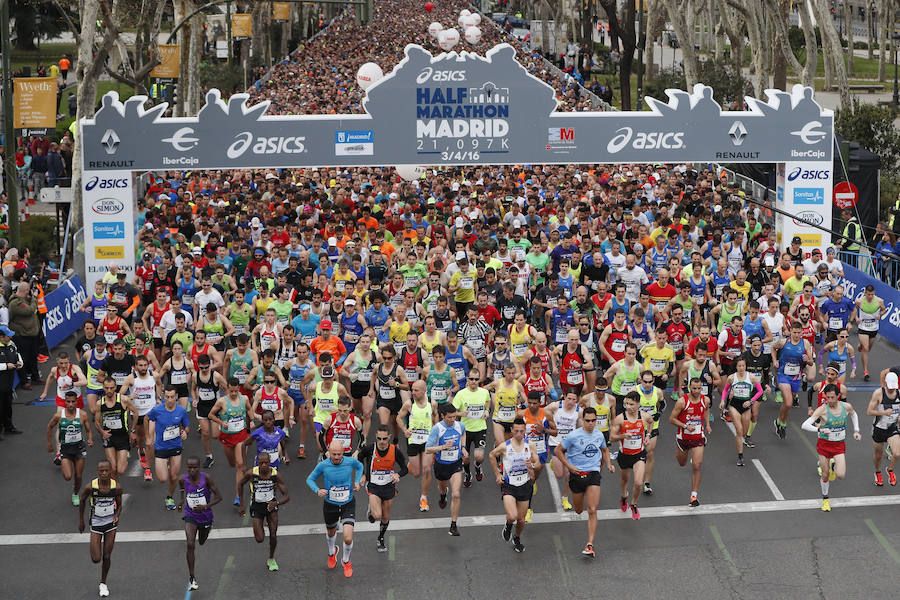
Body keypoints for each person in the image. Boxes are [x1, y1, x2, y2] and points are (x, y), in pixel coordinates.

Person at [554, 406, 614, 557]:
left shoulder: (599, 435)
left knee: (592, 509)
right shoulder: (573, 436)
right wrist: (568, 466)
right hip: (576, 475)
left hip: (593, 473)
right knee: (579, 510)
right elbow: (558, 450)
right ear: (582, 420)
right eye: (587, 420)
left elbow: (604, 449)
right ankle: (578, 506)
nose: (591, 423)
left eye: (594, 420)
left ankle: (590, 544)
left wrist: (609, 464)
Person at [306, 439, 364, 578]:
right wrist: (317, 490)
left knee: (348, 537)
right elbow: (309, 479)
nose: (337, 457)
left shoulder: (350, 461)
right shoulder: (323, 465)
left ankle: (346, 561)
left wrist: (357, 481)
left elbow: (360, 466)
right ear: (329, 453)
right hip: (330, 505)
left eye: (339, 454)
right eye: (334, 454)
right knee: (331, 532)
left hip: (348, 503)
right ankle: (332, 552)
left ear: (343, 452)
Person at [801, 384, 861, 511]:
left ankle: (833, 465)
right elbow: (804, 425)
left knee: (840, 475)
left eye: (832, 397)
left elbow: (854, 415)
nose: (830, 400)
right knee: (825, 474)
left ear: (838, 396)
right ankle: (825, 500)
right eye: (828, 397)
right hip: (824, 446)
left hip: (839, 446)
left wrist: (856, 430)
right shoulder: (822, 410)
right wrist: (819, 428)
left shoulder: (846, 407)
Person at [358, 425, 409, 552]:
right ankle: (372, 510)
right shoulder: (370, 448)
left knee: (385, 517)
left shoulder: (394, 451)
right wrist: (363, 473)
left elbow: (405, 468)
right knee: (377, 515)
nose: (381, 441)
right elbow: (359, 458)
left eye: (384, 439)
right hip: (373, 486)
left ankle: (380, 538)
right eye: (379, 438)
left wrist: (398, 475)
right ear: (376, 437)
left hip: (388, 486)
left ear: (389, 437)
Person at [489, 417, 536, 552]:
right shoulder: (505, 446)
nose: (519, 434)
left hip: (525, 485)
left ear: (525, 430)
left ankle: (516, 537)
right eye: (516, 431)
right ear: (512, 430)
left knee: (521, 520)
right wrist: (498, 474)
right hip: (509, 485)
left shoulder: (530, 445)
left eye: (522, 431)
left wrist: (531, 465)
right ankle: (508, 525)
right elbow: (492, 455)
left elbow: (537, 461)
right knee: (512, 516)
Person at [238, 451, 290, 571]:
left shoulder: (275, 475)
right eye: (261, 463)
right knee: (260, 539)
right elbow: (240, 484)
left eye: (266, 463)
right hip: (257, 507)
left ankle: (271, 559)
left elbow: (287, 496)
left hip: (271, 507)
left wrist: (275, 503)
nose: (264, 466)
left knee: (273, 535)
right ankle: (260, 526)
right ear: (258, 463)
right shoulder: (251, 473)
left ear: (270, 463)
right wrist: (241, 504)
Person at [78, 460, 123, 598]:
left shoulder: (117, 487)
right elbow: (82, 500)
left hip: (110, 523)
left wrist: (116, 515)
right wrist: (81, 521)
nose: (104, 473)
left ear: (110, 471)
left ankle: (103, 583)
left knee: (107, 556)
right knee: (96, 558)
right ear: (97, 471)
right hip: (96, 522)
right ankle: (94, 547)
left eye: (106, 470)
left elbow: (120, 505)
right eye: (101, 471)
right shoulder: (90, 487)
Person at [178, 456, 223, 590]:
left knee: (202, 541)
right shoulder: (182, 479)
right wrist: (181, 500)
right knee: (190, 544)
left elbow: (219, 497)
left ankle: (207, 529)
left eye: (195, 467)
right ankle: (192, 577)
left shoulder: (206, 478)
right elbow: (181, 489)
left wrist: (205, 507)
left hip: (205, 516)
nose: (192, 470)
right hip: (190, 515)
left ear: (199, 468)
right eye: (189, 467)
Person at [208, 378, 254, 506]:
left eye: (235, 391)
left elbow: (249, 409)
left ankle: (238, 496)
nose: (233, 393)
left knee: (240, 464)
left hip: (241, 436)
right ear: (227, 389)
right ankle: (244, 475)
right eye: (231, 391)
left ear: (238, 388)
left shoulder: (244, 399)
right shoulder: (222, 402)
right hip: (227, 437)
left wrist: (251, 420)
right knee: (232, 464)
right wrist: (221, 422)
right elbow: (211, 415)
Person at [609, 392, 654, 520]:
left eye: (631, 404)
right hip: (624, 455)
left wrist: (648, 436)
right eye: (626, 404)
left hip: (639, 454)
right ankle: (624, 496)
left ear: (639, 404)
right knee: (624, 480)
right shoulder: (620, 419)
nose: (628, 407)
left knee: (639, 483)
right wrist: (623, 436)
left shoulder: (644, 417)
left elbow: (651, 422)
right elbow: (612, 438)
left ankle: (633, 503)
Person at [426, 403, 468, 536]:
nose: (452, 420)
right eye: (449, 417)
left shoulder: (460, 425)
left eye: (454, 417)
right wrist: (442, 447)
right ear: (442, 416)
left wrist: (464, 447)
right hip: (441, 465)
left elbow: (463, 434)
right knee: (443, 488)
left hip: (455, 464)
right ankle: (443, 496)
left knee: (456, 494)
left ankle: (453, 525)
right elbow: (428, 449)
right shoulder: (437, 429)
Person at [147, 385, 191, 510]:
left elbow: (187, 426)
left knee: (174, 477)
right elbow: (148, 418)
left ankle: (169, 497)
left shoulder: (181, 411)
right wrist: (149, 435)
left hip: (176, 447)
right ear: (163, 396)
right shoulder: (157, 410)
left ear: (176, 397)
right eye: (167, 397)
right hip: (161, 448)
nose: (170, 400)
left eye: (172, 397)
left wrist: (184, 432)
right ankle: (165, 464)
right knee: (162, 479)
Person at [669, 378, 711, 507]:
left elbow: (706, 411)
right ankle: (680, 452)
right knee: (682, 463)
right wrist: (685, 426)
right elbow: (672, 419)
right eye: (694, 388)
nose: (697, 391)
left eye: (699, 388)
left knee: (697, 466)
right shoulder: (682, 402)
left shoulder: (706, 400)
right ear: (689, 387)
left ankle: (694, 496)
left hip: (698, 437)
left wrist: (707, 424)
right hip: (683, 438)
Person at [396, 379, 437, 512]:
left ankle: (424, 498)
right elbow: (398, 418)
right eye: (412, 390)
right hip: (413, 441)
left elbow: (435, 417)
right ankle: (412, 466)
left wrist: (436, 431)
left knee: (426, 469)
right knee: (416, 473)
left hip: (428, 441)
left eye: (416, 390)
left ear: (424, 391)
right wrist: (405, 430)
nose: (412, 392)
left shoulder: (432, 403)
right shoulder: (409, 404)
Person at [47, 390, 93, 504]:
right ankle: (75, 488)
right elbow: (49, 427)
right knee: (68, 476)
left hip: (79, 448)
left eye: (73, 401)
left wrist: (90, 439)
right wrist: (49, 443)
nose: (71, 404)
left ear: (77, 402)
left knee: (78, 476)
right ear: (65, 402)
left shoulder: (82, 414)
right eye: (68, 402)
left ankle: (76, 493)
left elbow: (88, 430)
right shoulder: (58, 415)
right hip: (66, 450)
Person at [771, 322, 815, 439]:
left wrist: (807, 360)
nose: (796, 335)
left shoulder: (805, 343)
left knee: (788, 404)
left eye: (799, 333)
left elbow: (811, 361)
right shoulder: (783, 342)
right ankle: (783, 423)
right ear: (790, 331)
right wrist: (775, 360)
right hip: (783, 375)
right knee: (789, 402)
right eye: (794, 332)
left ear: (802, 332)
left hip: (796, 377)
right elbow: (773, 348)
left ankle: (780, 422)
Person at [719, 358, 764, 466]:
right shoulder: (731, 378)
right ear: (736, 367)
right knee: (739, 431)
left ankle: (744, 439)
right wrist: (722, 400)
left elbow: (760, 391)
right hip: (734, 405)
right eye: (739, 366)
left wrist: (751, 401)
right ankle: (740, 456)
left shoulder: (751, 377)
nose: (741, 368)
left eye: (743, 366)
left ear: (746, 366)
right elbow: (725, 390)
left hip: (746, 406)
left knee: (744, 432)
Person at [452, 365, 491, 487]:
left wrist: (487, 411)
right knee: (465, 457)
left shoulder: (484, 392)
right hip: (465, 431)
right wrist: (460, 413)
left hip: (480, 428)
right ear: (467, 380)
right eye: (471, 379)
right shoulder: (461, 394)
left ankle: (478, 466)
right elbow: (452, 412)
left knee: (479, 456)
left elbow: (488, 401)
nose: (473, 382)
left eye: (476, 379)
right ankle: (468, 474)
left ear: (479, 380)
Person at [95, 377, 138, 478]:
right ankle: (114, 489)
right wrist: (102, 432)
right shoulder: (99, 403)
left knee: (121, 470)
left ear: (115, 387)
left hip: (122, 436)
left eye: (111, 388)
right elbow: (97, 421)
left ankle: (124, 461)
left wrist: (133, 431)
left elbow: (135, 412)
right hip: (109, 436)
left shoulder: (124, 400)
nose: (109, 390)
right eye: (106, 388)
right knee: (112, 468)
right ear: (103, 388)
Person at [867, 372, 900, 487]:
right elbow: (869, 411)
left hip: (892, 428)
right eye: (890, 387)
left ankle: (890, 470)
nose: (892, 389)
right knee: (878, 454)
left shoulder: (899, 394)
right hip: (879, 428)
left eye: (894, 387)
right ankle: (877, 472)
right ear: (885, 383)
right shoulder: (878, 393)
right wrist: (883, 412)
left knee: (897, 453)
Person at [856, 285, 885, 381]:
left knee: (868, 348)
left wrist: (880, 315)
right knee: (866, 348)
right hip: (863, 327)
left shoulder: (879, 301)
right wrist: (856, 318)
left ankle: (861, 345)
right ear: (865, 293)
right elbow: (854, 309)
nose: (870, 296)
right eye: (868, 294)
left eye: (872, 294)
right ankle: (865, 371)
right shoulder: (859, 301)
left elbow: (883, 310)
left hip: (874, 328)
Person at [0, 325, 24, 437]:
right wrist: (5, 366)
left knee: (8, 407)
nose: (10, 337)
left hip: (9, 383)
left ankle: (9, 427)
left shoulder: (11, 344)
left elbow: (17, 354)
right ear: (1, 337)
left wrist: (20, 362)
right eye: (8, 335)